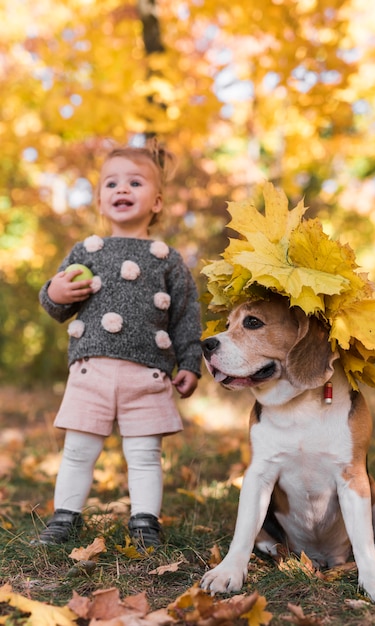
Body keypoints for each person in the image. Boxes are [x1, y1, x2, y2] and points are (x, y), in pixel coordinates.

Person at [32, 140, 202, 550]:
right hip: (91, 371)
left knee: (145, 454)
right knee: (77, 450)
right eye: (111, 183)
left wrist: (190, 362)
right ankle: (64, 518)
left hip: (147, 374)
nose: (121, 189)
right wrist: (54, 291)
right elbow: (56, 307)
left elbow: (185, 313)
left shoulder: (167, 259)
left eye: (135, 182)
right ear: (99, 199)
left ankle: (144, 523)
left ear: (157, 201)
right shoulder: (86, 251)